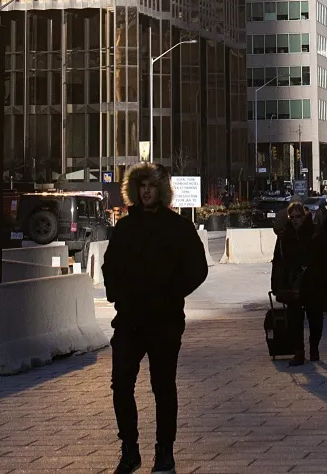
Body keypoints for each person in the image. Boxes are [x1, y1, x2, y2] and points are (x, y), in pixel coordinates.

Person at [103, 162, 208, 474]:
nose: (146, 191)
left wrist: (171, 293)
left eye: (151, 186)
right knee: (120, 384)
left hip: (164, 321)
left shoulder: (177, 227)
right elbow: (110, 266)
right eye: (141, 186)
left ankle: (164, 452)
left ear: (160, 190)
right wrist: (116, 294)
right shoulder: (124, 227)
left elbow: (197, 268)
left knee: (163, 388)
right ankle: (129, 449)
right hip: (129, 320)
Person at [270, 201, 327, 365]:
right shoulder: (284, 237)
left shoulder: (315, 234)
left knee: (315, 318)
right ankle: (299, 352)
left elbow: (325, 262)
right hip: (293, 283)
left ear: (304, 216)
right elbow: (277, 261)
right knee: (294, 320)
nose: (295, 219)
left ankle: (314, 347)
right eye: (292, 217)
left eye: (298, 216)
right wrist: (276, 285)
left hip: (313, 282)